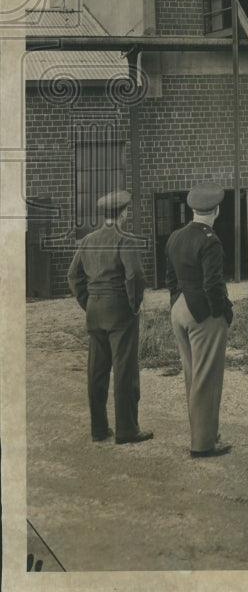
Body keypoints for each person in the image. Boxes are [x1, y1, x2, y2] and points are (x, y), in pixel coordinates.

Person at [67, 190, 152, 444]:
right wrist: (134, 305)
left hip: (95, 311)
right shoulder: (125, 240)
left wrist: (88, 302)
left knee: (96, 372)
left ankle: (99, 429)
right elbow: (134, 276)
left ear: (104, 214)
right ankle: (127, 429)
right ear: (123, 213)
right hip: (120, 313)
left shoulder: (88, 240)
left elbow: (73, 276)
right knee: (125, 371)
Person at [165, 182, 233, 458]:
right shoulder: (210, 240)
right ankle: (203, 445)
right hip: (202, 313)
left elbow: (170, 278)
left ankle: (203, 434)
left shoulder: (175, 237)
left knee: (192, 375)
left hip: (180, 308)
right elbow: (213, 284)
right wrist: (223, 312)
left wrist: (176, 302)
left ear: (193, 209)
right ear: (215, 211)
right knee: (207, 378)